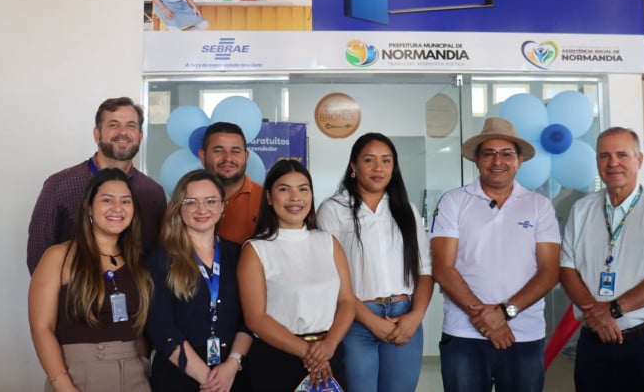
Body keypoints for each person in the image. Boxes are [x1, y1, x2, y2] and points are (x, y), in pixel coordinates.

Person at [431, 117, 561, 392]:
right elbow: (442, 267)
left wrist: (504, 313)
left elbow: (550, 271)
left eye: (506, 154)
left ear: (519, 160)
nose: (497, 161)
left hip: (523, 334)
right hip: (464, 332)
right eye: (489, 153)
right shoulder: (454, 201)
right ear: (477, 159)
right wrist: (486, 320)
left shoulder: (539, 206)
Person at [559, 127, 644, 392]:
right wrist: (595, 314)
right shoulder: (581, 210)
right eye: (604, 156)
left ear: (639, 160)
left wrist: (611, 310)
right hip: (593, 343)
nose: (613, 163)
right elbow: (566, 269)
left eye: (622, 155)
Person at [316, 133, 433, 392]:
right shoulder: (333, 209)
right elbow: (329, 276)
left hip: (404, 318)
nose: (378, 168)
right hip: (354, 321)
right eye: (369, 160)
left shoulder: (406, 209)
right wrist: (371, 321)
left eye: (386, 160)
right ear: (354, 166)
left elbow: (425, 270)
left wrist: (415, 316)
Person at [237, 159, 357, 391]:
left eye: (303, 189)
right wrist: (309, 353)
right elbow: (256, 318)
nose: (295, 198)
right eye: (284, 189)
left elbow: (347, 301)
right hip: (277, 358)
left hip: (329, 353)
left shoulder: (328, 242)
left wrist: (330, 344)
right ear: (269, 197)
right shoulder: (255, 249)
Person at [28, 168, 152, 392]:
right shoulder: (59, 256)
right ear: (89, 207)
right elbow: (41, 328)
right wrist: (64, 387)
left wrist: (142, 362)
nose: (117, 208)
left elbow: (139, 329)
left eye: (126, 201)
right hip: (78, 375)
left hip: (135, 375)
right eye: (107, 200)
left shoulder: (137, 261)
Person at [27, 97, 166, 274]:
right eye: (114, 124)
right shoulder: (59, 185)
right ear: (97, 134)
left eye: (131, 126)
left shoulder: (153, 192)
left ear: (140, 136)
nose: (123, 132)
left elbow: (159, 256)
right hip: (75, 290)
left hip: (137, 290)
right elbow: (38, 259)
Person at [146, 170, 252, 392]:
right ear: (179, 207)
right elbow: (162, 328)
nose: (202, 209)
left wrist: (232, 365)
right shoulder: (160, 259)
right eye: (191, 202)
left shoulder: (238, 254)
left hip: (232, 375)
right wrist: (209, 380)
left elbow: (248, 320)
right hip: (180, 376)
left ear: (222, 206)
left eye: (210, 201)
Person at [197, 122, 262, 244]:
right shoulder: (185, 200)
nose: (228, 158)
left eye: (235, 151)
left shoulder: (266, 200)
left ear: (246, 156)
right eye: (218, 151)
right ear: (202, 156)